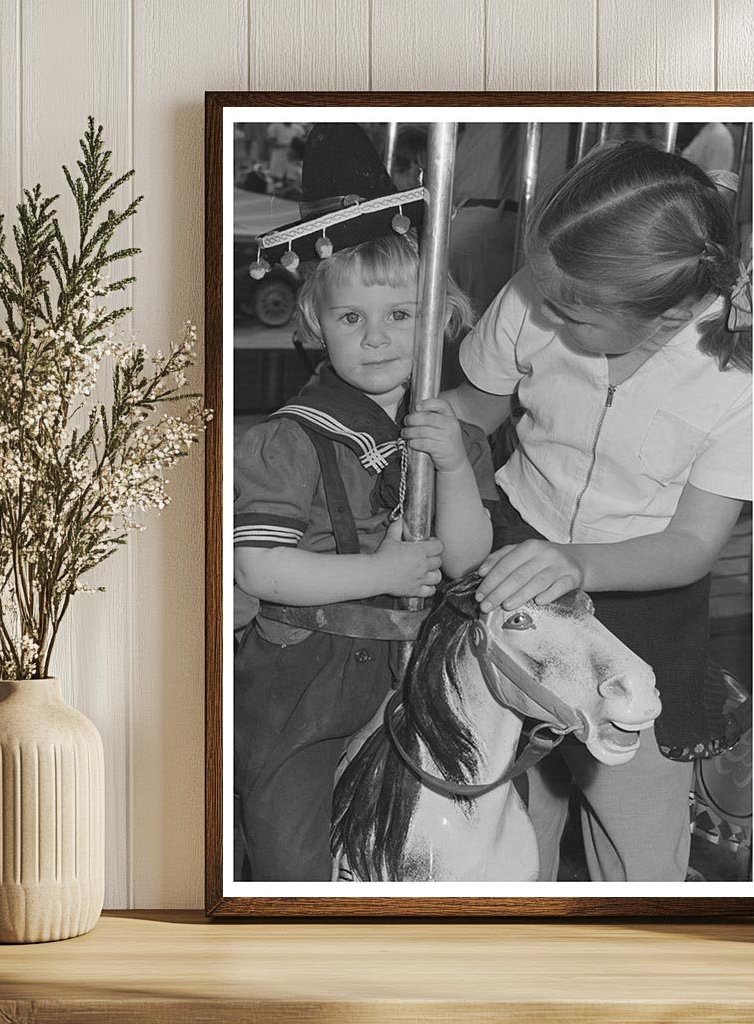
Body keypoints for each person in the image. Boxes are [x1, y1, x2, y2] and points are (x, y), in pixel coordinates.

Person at [445, 141, 753, 883]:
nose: (542, 312)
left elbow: (690, 544)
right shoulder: (538, 293)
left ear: (671, 312)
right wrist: (394, 431)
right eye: (541, 288)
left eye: (572, 311)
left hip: (641, 601)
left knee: (636, 830)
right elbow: (477, 408)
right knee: (510, 817)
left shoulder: (738, 380)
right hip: (516, 556)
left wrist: (579, 563)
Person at [233, 123, 496, 882]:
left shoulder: (451, 432)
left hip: (418, 675)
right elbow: (260, 570)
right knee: (293, 847)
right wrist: (379, 570)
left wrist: (449, 465)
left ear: (438, 319)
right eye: (352, 318)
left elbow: (468, 557)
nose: (377, 338)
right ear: (315, 323)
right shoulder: (291, 440)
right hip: (306, 681)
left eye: (400, 316)